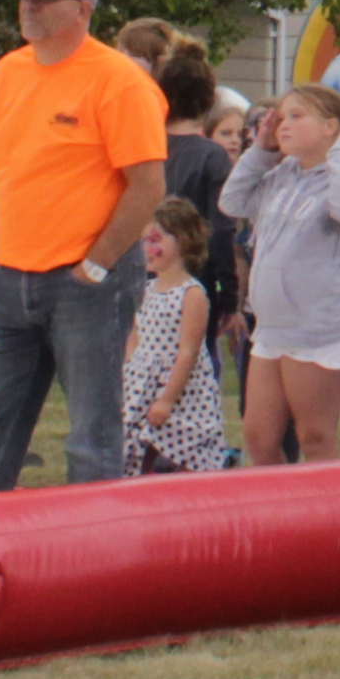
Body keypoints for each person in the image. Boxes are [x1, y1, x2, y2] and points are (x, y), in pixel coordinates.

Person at [0, 0, 173, 493]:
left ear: (82, 8)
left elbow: (147, 185)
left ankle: (94, 559)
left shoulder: (119, 81)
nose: (29, 4)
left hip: (85, 283)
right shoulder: (6, 73)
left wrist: (96, 267)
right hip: (11, 277)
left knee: (91, 432)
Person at [228, 81, 340, 467]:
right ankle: (281, 518)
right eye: (281, 117)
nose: (283, 124)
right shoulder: (280, 175)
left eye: (297, 116)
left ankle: (332, 520)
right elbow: (232, 202)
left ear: (331, 126)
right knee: (259, 437)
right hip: (273, 327)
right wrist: (260, 152)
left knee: (314, 436)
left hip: (317, 327)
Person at [117, 192, 233, 476]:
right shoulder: (145, 289)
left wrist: (168, 399)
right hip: (144, 380)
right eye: (142, 241)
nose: (146, 249)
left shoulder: (190, 294)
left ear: (180, 241)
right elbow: (134, 335)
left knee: (189, 454)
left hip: (183, 389)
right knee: (137, 449)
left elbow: (188, 351)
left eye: (154, 240)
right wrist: (128, 372)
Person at [157, 45, 241, 405]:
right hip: (195, 280)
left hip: (143, 277)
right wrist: (230, 294)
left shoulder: (147, 148)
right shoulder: (211, 155)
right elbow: (222, 228)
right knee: (192, 369)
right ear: (207, 100)